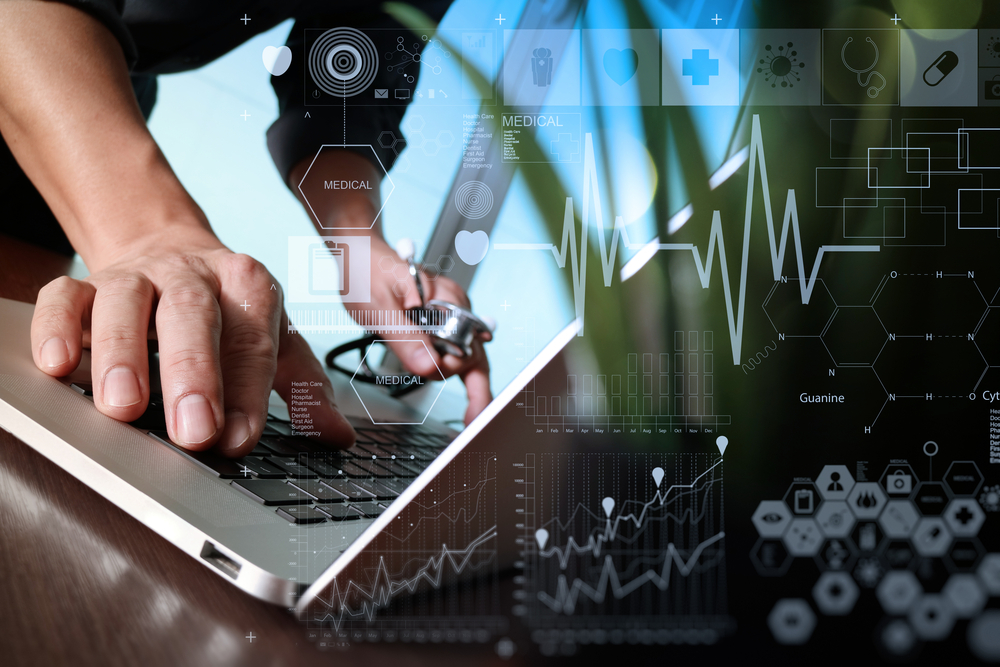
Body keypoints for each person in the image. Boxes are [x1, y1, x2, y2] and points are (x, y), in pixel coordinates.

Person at [0, 0, 491, 458]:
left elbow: (351, 65)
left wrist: (361, 246)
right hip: (54, 80)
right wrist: (152, 230)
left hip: (74, 101)